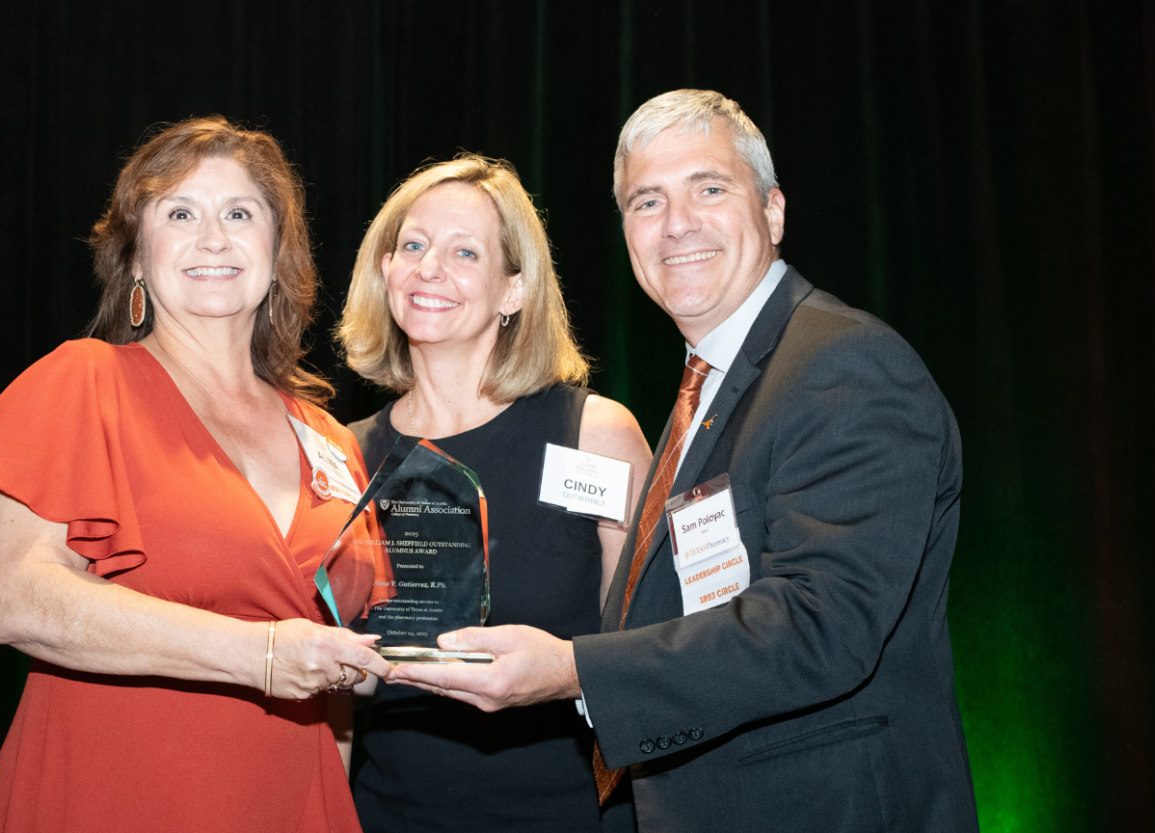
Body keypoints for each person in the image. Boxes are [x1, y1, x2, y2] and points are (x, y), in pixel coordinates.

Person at [389, 91, 980, 831]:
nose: (677, 225)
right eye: (647, 201)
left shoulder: (841, 364)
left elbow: (824, 622)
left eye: (709, 188)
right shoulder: (713, 386)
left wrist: (575, 670)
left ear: (772, 212)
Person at [0, 116, 391, 833]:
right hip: (111, 791)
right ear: (138, 259)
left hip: (292, 799)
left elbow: (337, 674)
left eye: (239, 214)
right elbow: (18, 597)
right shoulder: (81, 382)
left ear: (277, 254)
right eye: (180, 213)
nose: (214, 237)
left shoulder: (329, 438)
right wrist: (259, 653)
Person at [336, 154, 653, 832]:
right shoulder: (340, 457)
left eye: (465, 252)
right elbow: (331, 698)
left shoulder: (595, 436)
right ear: (385, 269)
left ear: (514, 290)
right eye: (413, 245)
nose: (429, 268)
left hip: (574, 816)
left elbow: (659, 653)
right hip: (390, 816)